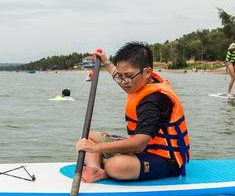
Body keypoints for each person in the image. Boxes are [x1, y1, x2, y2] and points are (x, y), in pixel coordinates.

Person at [75, 42, 190, 183]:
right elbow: (118, 74)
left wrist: (96, 148)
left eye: (127, 76)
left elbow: (139, 144)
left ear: (147, 72)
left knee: (117, 165)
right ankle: (95, 168)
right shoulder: (138, 83)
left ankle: (106, 167)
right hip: (142, 150)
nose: (123, 82)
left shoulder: (153, 100)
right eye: (120, 76)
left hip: (166, 160)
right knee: (89, 136)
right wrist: (105, 61)